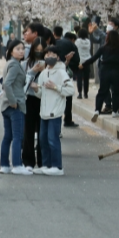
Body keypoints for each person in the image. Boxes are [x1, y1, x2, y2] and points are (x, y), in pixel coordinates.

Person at [32, 46, 74, 176]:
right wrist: (36, 89)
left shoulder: (61, 72)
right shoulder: (43, 73)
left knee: (52, 139)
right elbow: (41, 94)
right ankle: (46, 165)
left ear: (57, 57)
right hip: (44, 112)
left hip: (55, 112)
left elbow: (70, 90)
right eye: (47, 54)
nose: (49, 56)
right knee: (43, 140)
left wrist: (55, 87)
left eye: (52, 54)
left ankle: (57, 166)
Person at [84, 30, 119, 121]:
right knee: (116, 92)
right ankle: (115, 111)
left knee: (102, 91)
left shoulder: (103, 48)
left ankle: (97, 110)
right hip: (116, 71)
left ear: (107, 38)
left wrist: (83, 64)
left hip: (104, 71)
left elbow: (94, 58)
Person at [0, 39, 30, 175]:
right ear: (11, 51)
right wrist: (13, 101)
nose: (21, 51)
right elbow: (7, 83)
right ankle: (17, 164)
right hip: (15, 105)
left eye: (23, 49)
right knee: (17, 136)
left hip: (7, 106)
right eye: (18, 49)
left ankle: (5, 165)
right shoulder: (14, 65)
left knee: (8, 136)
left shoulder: (11, 63)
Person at [22, 22, 46, 170]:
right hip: (29, 99)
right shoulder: (26, 64)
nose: (39, 53)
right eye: (36, 50)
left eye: (41, 51)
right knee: (28, 131)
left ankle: (43, 161)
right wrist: (32, 72)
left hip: (44, 99)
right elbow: (21, 83)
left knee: (43, 132)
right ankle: (28, 161)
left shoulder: (49, 64)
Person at [53, 26, 79, 127]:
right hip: (65, 73)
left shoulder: (51, 43)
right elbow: (76, 59)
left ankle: (54, 120)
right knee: (67, 96)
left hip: (51, 73)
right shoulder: (69, 44)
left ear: (54, 33)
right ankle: (68, 119)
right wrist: (70, 68)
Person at [75, 29, 92, 99]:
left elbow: (75, 49)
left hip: (79, 61)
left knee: (79, 78)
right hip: (87, 61)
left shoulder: (77, 41)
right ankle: (86, 93)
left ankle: (80, 93)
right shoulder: (88, 41)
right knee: (86, 78)